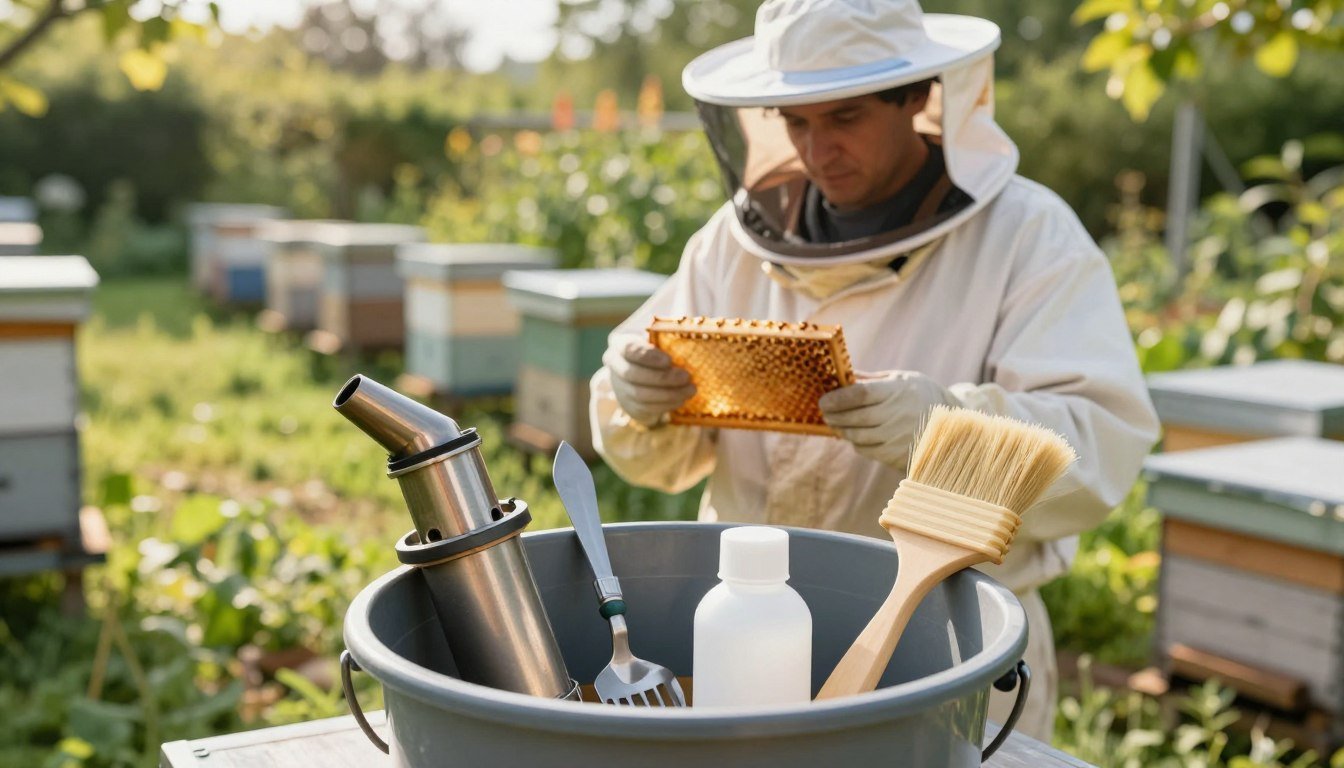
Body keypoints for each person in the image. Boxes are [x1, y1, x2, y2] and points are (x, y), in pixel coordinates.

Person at [589, 0, 1159, 740]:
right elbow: (650, 444)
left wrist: (950, 429)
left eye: (845, 117)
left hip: (945, 653)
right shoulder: (731, 243)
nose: (816, 149)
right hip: (745, 638)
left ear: (918, 97)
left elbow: (1101, 448)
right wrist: (639, 397)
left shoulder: (1028, 236)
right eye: (795, 122)